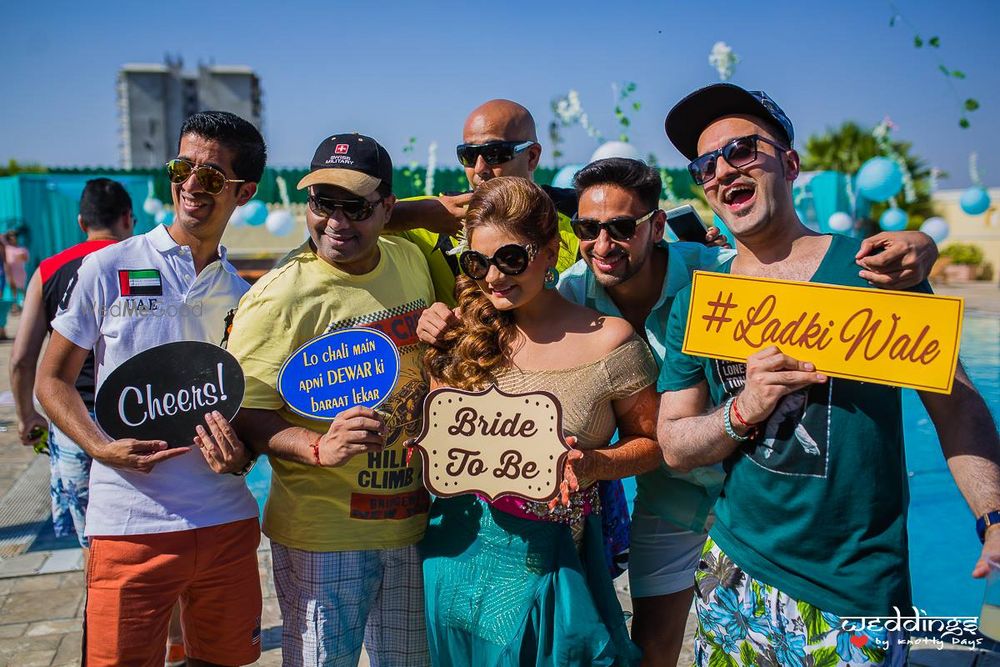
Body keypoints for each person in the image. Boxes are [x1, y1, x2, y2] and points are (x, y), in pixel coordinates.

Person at [419, 156, 940, 666]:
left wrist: (920, 246)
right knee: (655, 642)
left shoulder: (714, 276)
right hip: (673, 492)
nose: (604, 244)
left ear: (657, 225)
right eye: (589, 227)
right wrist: (446, 322)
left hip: (747, 492)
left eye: (622, 227)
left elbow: (791, 267)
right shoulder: (573, 286)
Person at [656, 83, 1000, 665]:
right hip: (734, 575)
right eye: (705, 164)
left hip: (856, 595)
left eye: (741, 149)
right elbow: (675, 443)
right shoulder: (700, 301)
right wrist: (745, 409)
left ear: (789, 164)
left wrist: (993, 516)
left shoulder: (875, 273)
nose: (721, 171)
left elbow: (957, 408)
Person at [37, 110, 266, 667]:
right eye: (182, 167)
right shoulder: (109, 266)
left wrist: (245, 454)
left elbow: (252, 408)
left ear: (245, 192)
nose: (190, 185)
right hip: (128, 524)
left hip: (226, 522)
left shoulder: (247, 296)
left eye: (211, 176)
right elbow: (50, 379)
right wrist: (97, 446)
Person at [419, 176, 661, 666]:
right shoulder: (461, 334)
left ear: (551, 251)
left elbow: (653, 443)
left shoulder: (612, 343)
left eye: (510, 259)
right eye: (477, 262)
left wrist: (593, 464)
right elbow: (443, 437)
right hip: (454, 558)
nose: (492, 278)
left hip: (554, 567)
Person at [227, 133, 433, 667]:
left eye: (356, 207)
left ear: (387, 207)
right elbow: (245, 411)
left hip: (411, 523)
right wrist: (319, 447)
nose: (336, 222)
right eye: (323, 204)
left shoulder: (410, 260)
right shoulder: (280, 297)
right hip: (324, 534)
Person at [10, 178, 134, 562]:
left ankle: (97, 619)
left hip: (73, 420)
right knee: (146, 537)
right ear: (129, 219)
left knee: (93, 545)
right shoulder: (142, 262)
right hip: (136, 416)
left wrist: (26, 415)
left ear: (82, 222)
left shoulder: (49, 270)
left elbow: (22, 358)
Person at [5, 230, 29, 311]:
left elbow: (25, 258)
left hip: (20, 272)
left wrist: (19, 257)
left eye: (14, 236)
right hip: (11, 272)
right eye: (11, 237)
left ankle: (26, 304)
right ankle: (15, 306)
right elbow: (9, 261)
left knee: (22, 289)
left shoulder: (21, 248)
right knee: (13, 290)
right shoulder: (7, 249)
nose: (13, 239)